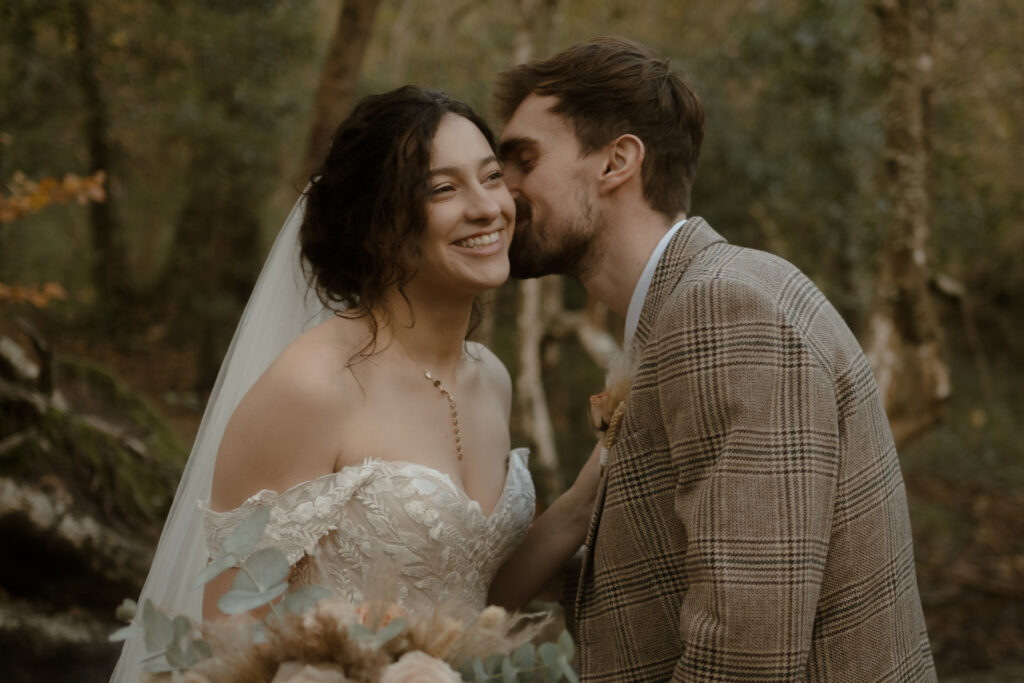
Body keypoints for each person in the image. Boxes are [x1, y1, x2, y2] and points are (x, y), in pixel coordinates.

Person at [111, 85, 599, 682]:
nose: (487, 207)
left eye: (492, 176)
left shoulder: (491, 377)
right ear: (378, 223)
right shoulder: (311, 387)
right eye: (443, 189)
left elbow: (478, 595)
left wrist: (578, 506)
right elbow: (230, 637)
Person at [495, 37, 936, 682]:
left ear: (617, 161)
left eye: (522, 160)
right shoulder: (691, 304)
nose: (500, 192)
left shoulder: (725, 314)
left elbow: (747, 653)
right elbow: (664, 561)